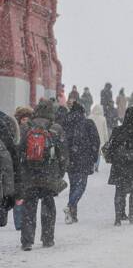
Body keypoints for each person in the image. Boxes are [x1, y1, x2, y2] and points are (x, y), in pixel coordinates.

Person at [16, 99, 68, 250]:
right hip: (49, 174)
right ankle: (47, 238)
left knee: (29, 207)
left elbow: (19, 150)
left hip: (30, 174)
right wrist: (60, 172)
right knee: (48, 205)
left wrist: (22, 170)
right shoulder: (56, 128)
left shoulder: (26, 127)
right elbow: (62, 154)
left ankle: (27, 241)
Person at [106, 107, 133, 226]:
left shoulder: (117, 130)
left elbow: (111, 148)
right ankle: (131, 216)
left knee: (119, 191)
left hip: (119, 164)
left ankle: (118, 218)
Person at [62, 103, 100, 224]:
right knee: (81, 186)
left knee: (74, 186)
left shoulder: (65, 122)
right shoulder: (88, 123)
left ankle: (72, 215)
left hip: (70, 158)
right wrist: (94, 158)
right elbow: (96, 141)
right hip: (84, 158)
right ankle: (70, 206)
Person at [89, 105, 109, 173]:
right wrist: (106, 139)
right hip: (100, 139)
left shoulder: (89, 117)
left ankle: (91, 165)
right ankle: (96, 166)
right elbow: (105, 131)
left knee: (91, 151)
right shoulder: (103, 119)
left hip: (91, 138)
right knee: (98, 153)